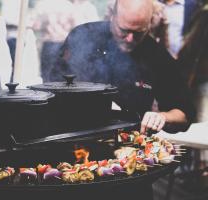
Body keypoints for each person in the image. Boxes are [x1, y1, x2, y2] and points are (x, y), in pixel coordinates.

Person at [53, 0, 195, 136]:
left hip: (128, 145)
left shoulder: (155, 54)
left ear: (149, 24)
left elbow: (185, 113)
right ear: (113, 17)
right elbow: (54, 85)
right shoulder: (83, 36)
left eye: (139, 32)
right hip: (76, 135)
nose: (130, 39)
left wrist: (162, 117)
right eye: (124, 30)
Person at [178, 4, 208, 122]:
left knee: (202, 119)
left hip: (202, 76)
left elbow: (192, 46)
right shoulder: (203, 13)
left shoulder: (203, 13)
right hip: (201, 76)